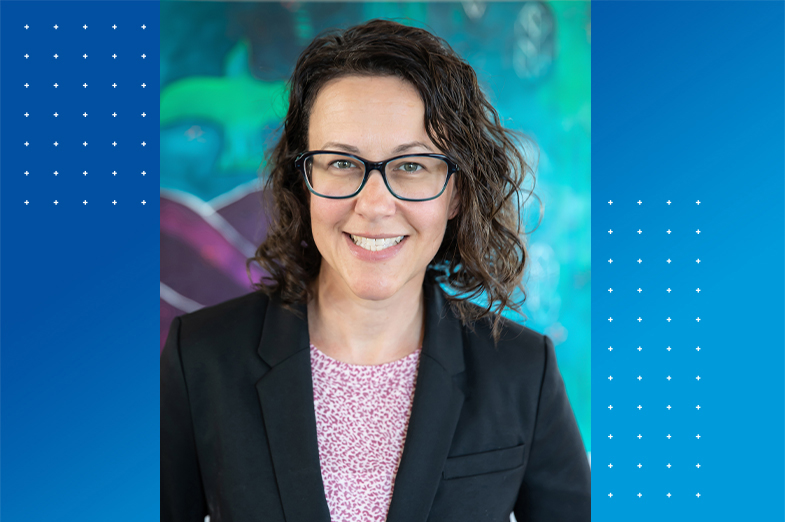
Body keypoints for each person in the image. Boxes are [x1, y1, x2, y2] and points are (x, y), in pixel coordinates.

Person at [161, 18, 590, 522]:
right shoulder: (202, 355)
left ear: (455, 193)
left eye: (411, 166)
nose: (374, 204)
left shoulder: (522, 369)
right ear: (304, 181)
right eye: (341, 163)